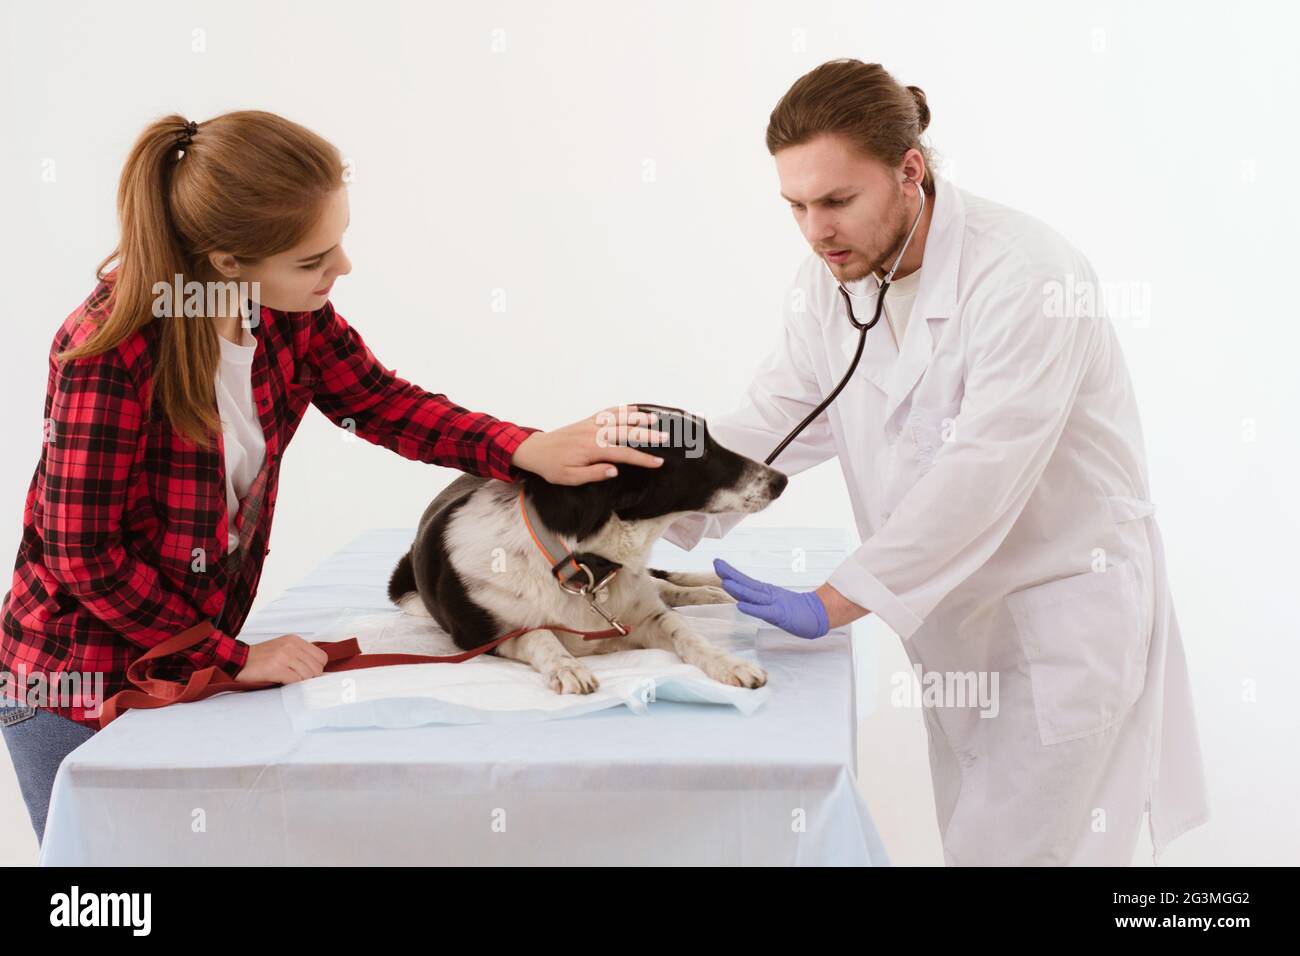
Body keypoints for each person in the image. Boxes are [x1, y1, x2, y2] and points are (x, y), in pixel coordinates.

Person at [0, 110, 667, 845]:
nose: (340, 269)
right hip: (74, 685)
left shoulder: (284, 312)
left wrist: (523, 449)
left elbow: (379, 402)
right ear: (226, 262)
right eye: (314, 258)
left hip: (190, 663)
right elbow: (81, 556)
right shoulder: (109, 351)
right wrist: (230, 656)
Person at [664, 59, 1210, 865]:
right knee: (979, 849)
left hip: (1060, 620)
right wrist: (633, 503)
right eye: (797, 206)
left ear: (909, 170)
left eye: (837, 201)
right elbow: (776, 418)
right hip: (960, 633)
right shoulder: (835, 282)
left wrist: (836, 598)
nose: (816, 230)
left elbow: (981, 472)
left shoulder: (1025, 275)